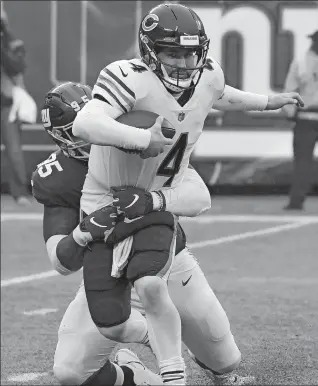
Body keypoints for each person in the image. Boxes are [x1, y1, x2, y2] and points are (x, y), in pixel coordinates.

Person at [72, 3, 303, 385]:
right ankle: (148, 358)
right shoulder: (128, 76)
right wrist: (143, 138)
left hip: (158, 218)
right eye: (172, 52)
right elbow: (85, 122)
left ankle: (164, 343)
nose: (183, 62)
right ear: (150, 51)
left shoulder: (207, 75)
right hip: (108, 221)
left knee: (225, 360)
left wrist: (265, 102)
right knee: (69, 372)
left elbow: (220, 92)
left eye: (190, 53)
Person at [282, 29, 318, 211]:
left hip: (306, 119)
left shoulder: (302, 62)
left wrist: (290, 113)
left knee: (302, 163)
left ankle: (296, 202)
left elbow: (290, 89)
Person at [1, 2, 32, 205]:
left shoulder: (13, 43)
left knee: (14, 150)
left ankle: (19, 192)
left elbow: (16, 66)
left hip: (7, 105)